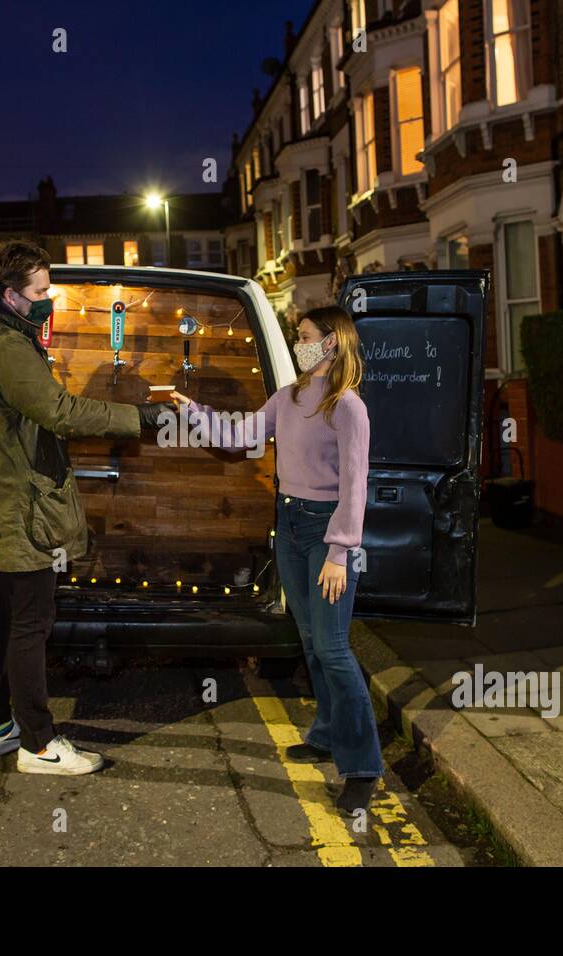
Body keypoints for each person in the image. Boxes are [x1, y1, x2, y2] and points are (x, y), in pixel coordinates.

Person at [0, 240, 171, 775]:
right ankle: (39, 745)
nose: (50, 299)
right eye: (42, 291)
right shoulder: (7, 347)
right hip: (18, 514)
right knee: (31, 622)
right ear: (12, 296)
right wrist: (140, 416)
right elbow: (60, 411)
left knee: (1, 618)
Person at [169, 305, 381, 814]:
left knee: (332, 648)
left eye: (306, 336)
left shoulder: (347, 407)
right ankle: (327, 733)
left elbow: (356, 485)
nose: (298, 343)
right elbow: (243, 436)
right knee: (309, 639)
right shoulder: (288, 397)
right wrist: (192, 411)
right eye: (297, 336)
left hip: (327, 532)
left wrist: (339, 551)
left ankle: (363, 767)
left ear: (331, 343)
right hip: (288, 525)